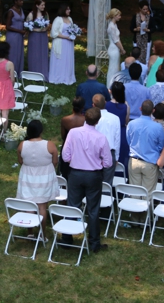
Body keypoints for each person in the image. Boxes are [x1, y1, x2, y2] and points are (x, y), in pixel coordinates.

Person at [61, 107, 112, 253]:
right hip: (93, 175)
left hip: (76, 174)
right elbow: (108, 162)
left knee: (72, 205)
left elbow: (65, 156)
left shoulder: (73, 133)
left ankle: (66, 238)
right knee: (93, 209)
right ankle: (94, 243)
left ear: (85, 118)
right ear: (97, 121)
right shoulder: (101, 138)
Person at [16, 120, 59, 242]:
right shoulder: (49, 145)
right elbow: (55, 161)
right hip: (44, 177)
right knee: (42, 207)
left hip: (27, 177)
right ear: (40, 131)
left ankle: (30, 233)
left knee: (29, 205)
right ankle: (42, 234)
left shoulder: (22, 145)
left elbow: (20, 161)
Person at [126, 100, 164, 204]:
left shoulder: (131, 124)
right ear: (153, 111)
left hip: (134, 161)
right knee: (148, 194)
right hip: (150, 162)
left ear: (140, 108)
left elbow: (129, 140)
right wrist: (153, 151)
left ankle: (136, 217)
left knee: (135, 193)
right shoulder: (157, 127)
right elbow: (161, 144)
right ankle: (145, 217)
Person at [92, 94, 120, 185]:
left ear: (93, 105)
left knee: (94, 182)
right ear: (105, 103)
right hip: (109, 151)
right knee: (107, 183)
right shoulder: (115, 118)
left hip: (94, 152)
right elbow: (117, 139)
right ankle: (106, 198)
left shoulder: (90, 119)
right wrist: (116, 156)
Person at [105, 81, 130, 177]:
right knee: (122, 159)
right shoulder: (125, 106)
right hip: (122, 133)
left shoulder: (106, 105)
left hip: (110, 132)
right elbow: (126, 120)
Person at [49, 3, 76, 85]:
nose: (69, 11)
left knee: (68, 59)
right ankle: (58, 77)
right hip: (60, 43)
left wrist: (74, 34)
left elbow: (72, 29)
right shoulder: (58, 19)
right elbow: (54, 33)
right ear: (63, 10)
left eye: (69, 9)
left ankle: (68, 77)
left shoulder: (70, 19)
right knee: (60, 60)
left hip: (69, 43)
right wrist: (65, 37)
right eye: (67, 9)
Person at [60, 96, 86, 179]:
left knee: (65, 175)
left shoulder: (65, 120)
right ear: (83, 107)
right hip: (81, 149)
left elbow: (63, 136)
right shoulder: (85, 120)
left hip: (67, 147)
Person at [26, 0, 50, 81]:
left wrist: (45, 28)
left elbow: (48, 24)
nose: (44, 6)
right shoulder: (31, 14)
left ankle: (43, 72)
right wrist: (36, 30)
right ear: (37, 5)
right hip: (34, 36)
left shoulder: (45, 14)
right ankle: (34, 72)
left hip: (43, 36)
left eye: (44, 5)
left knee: (43, 52)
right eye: (42, 5)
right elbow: (27, 26)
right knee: (35, 53)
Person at [5, 0, 26, 73]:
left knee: (19, 52)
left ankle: (18, 70)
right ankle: (11, 71)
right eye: (20, 0)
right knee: (13, 52)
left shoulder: (21, 10)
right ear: (15, 2)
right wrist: (19, 31)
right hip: (13, 35)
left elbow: (22, 21)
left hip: (20, 35)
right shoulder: (11, 11)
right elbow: (8, 26)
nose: (22, 2)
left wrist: (24, 28)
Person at [106, 8, 126, 87]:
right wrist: (122, 49)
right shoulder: (112, 27)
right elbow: (116, 41)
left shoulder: (114, 25)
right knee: (113, 68)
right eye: (119, 15)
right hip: (113, 49)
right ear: (114, 16)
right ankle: (110, 85)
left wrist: (120, 48)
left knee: (116, 67)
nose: (120, 17)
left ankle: (115, 84)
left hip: (115, 48)